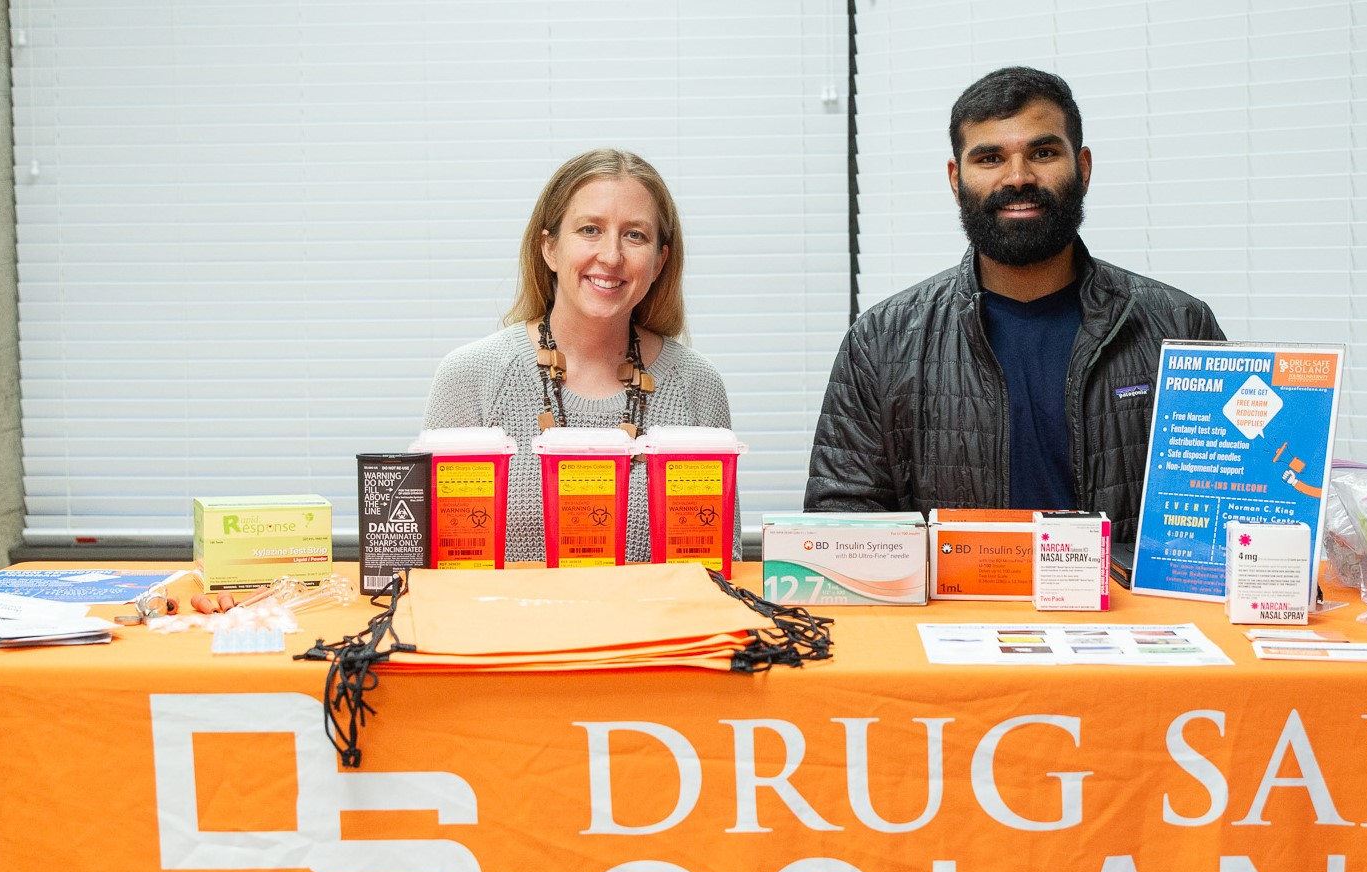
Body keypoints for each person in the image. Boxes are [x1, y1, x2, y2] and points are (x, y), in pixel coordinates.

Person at [804, 67, 1225, 540]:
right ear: (955, 178)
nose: (1018, 177)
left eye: (1043, 153)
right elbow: (840, 526)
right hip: (947, 616)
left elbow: (1233, 502)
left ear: (1082, 168)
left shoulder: (1180, 327)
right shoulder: (882, 341)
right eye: (989, 158)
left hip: (1132, 612)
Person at [424, 148, 734, 563]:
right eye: (590, 229)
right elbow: (433, 569)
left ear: (659, 261)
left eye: (635, 235)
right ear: (549, 249)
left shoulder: (697, 385)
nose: (610, 256)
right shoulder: (469, 377)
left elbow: (718, 567)